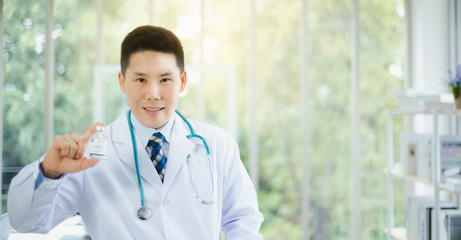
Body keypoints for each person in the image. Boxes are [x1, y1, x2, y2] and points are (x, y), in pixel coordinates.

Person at [7, 25, 263, 239]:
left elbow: (243, 220)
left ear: (182, 81)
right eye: (141, 79)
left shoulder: (217, 145)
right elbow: (26, 222)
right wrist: (49, 172)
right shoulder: (89, 155)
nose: (153, 93)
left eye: (165, 79)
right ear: (122, 81)